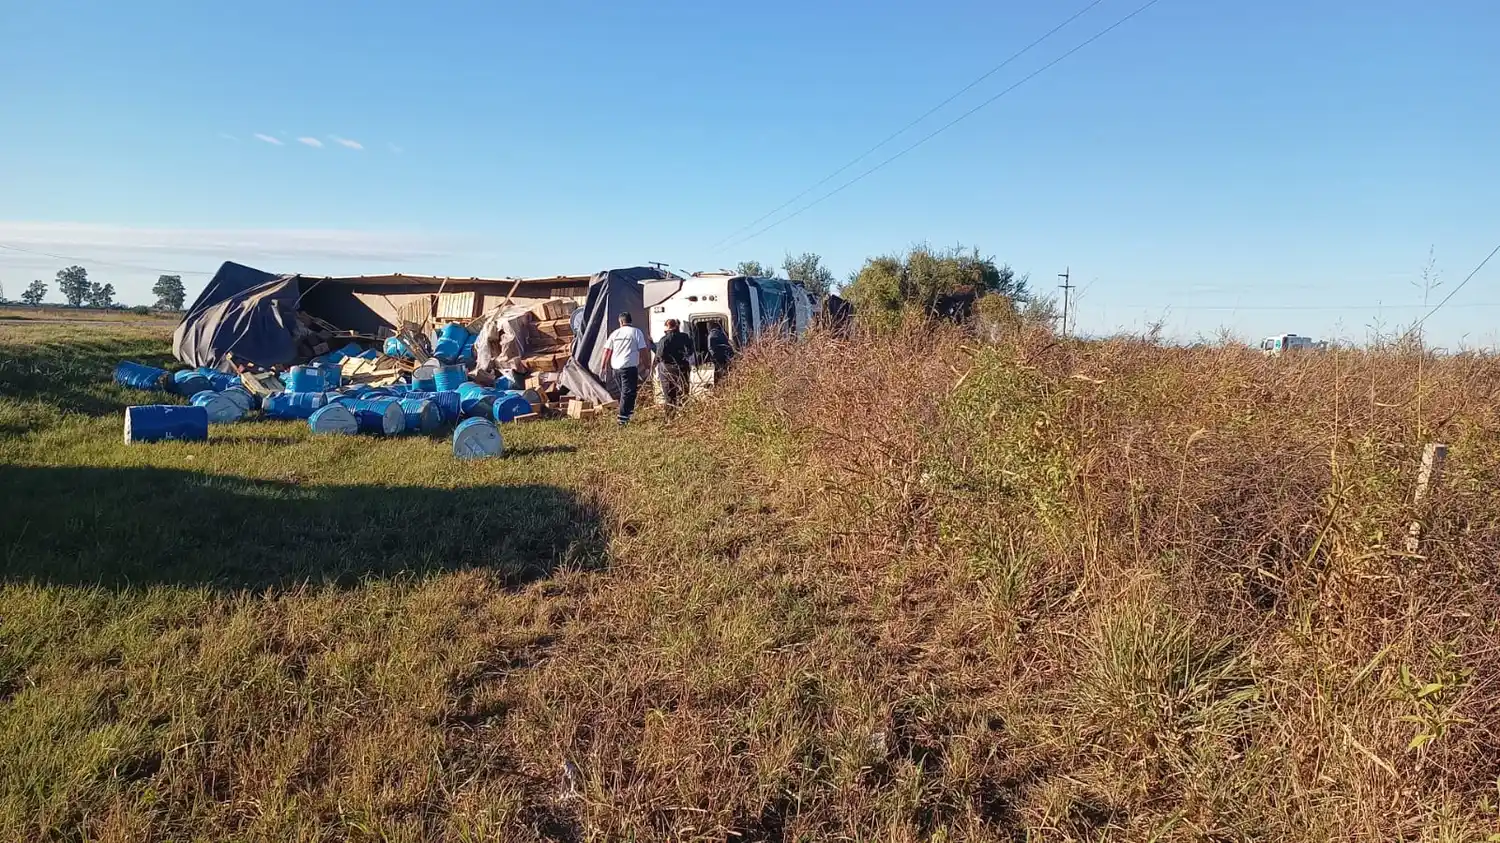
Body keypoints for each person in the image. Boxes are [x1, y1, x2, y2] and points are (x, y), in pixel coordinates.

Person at [600, 312, 651, 426]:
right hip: (629, 368)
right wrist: (647, 366)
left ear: (621, 322)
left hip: (616, 369)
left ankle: (628, 413)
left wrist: (603, 366)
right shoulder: (636, 332)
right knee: (628, 392)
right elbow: (643, 350)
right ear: (630, 320)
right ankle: (622, 418)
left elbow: (607, 350)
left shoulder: (615, 334)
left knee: (626, 392)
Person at [655, 318, 695, 415]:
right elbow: (690, 351)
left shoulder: (664, 340)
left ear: (667, 327)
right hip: (683, 369)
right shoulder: (685, 337)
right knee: (683, 394)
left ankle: (670, 418)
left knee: (669, 396)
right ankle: (684, 416)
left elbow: (659, 355)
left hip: (667, 371)